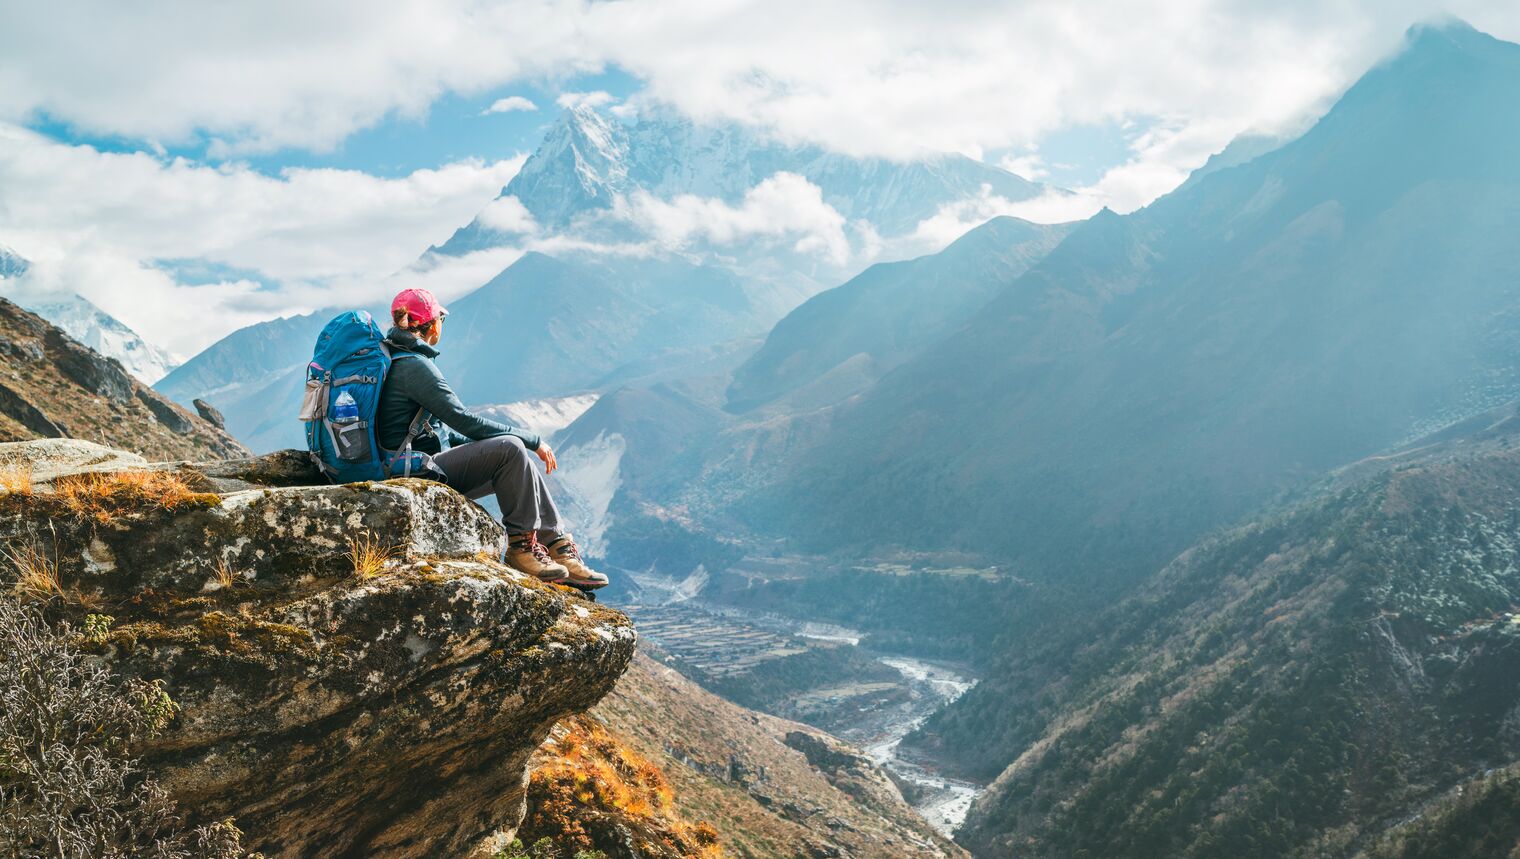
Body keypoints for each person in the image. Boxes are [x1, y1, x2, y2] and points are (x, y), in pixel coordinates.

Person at [375, 287, 608, 590]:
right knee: (511, 449)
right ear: (433, 325)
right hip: (410, 471)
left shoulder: (399, 359)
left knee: (515, 457)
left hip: (409, 464)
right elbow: (467, 423)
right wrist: (532, 439)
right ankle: (522, 548)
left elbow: (445, 432)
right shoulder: (415, 368)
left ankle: (557, 546)